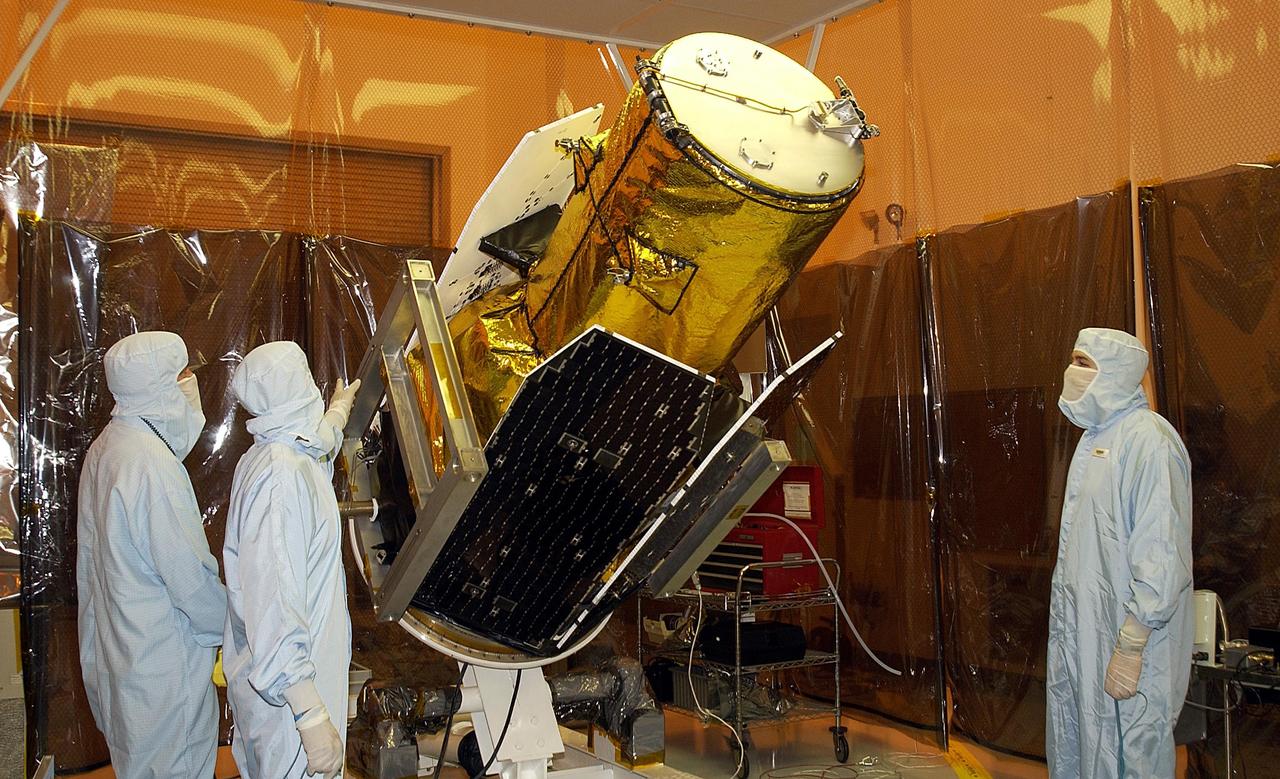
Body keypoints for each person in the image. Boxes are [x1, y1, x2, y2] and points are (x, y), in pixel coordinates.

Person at [76, 330, 227, 778]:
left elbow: (89, 574)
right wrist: (242, 626)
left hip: (122, 668)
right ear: (159, 386)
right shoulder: (152, 467)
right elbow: (193, 585)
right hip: (164, 680)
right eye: (181, 375)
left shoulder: (105, 449)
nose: (189, 385)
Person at [1046, 327, 1194, 778]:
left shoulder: (1149, 440)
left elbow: (1162, 554)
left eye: (1083, 363)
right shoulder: (1092, 441)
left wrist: (1131, 643)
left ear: (1114, 372)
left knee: (1132, 754)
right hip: (1082, 636)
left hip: (1130, 643)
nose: (1072, 373)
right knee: (1078, 743)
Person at [222, 341, 360, 779]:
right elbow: (275, 605)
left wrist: (338, 414)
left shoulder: (274, 453)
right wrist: (310, 715)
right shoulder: (280, 480)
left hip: (284, 696)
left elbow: (315, 448)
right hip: (289, 711)